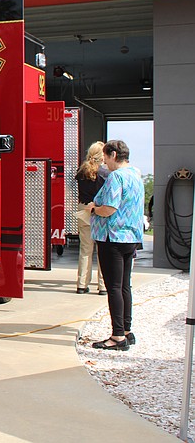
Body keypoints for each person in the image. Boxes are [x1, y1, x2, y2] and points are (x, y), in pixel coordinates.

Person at [86, 140, 144, 351]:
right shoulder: (136, 173)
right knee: (125, 285)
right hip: (131, 237)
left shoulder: (116, 177)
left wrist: (94, 208)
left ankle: (117, 336)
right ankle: (127, 330)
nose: (104, 163)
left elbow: (109, 208)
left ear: (113, 155)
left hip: (113, 237)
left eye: (105, 158)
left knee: (114, 288)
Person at [74, 141, 106, 295]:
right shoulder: (105, 173)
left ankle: (82, 284)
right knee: (102, 249)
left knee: (85, 249)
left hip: (84, 210)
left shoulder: (82, 171)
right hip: (99, 210)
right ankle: (103, 285)